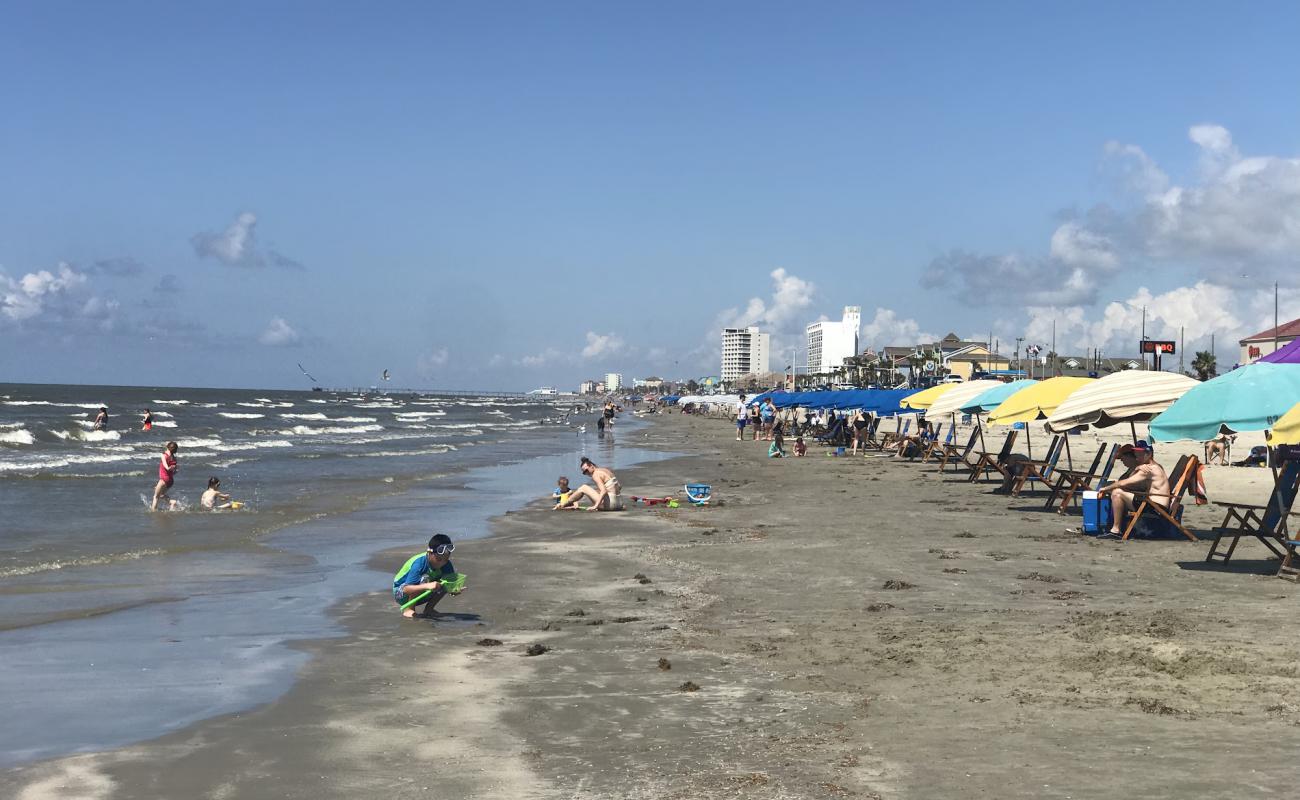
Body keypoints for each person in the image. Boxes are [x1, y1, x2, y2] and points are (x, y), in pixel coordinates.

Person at [1098, 441, 1170, 537]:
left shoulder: (1150, 469)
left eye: (1140, 454)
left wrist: (1104, 489)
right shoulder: (1155, 467)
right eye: (1136, 454)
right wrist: (1137, 468)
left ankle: (1116, 530)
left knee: (1117, 492)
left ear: (1148, 454)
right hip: (1155, 505)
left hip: (1156, 508)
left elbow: (1124, 482)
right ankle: (1116, 528)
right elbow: (1129, 481)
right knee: (1119, 492)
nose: (1137, 457)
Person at [392, 533, 462, 619]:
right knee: (423, 579)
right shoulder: (419, 563)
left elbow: (451, 585)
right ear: (429, 552)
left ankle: (429, 609)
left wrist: (454, 590)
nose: (442, 563)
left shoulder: (446, 564)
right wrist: (427, 586)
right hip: (401, 592)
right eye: (438, 559)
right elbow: (406, 589)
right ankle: (409, 610)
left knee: (444, 583)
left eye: (446, 559)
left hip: (422, 594)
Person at [553, 457, 623, 511]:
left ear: (591, 465)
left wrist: (595, 506)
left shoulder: (596, 474)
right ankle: (566, 503)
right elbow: (619, 486)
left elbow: (604, 491)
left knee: (583, 487)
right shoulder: (605, 470)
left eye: (586, 470)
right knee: (598, 491)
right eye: (584, 473)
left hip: (610, 506)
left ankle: (563, 504)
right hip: (619, 504)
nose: (586, 473)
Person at [151, 441, 179, 511]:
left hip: (163, 479)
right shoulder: (174, 458)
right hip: (170, 480)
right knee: (160, 494)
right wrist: (173, 468)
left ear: (168, 447)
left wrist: (168, 468)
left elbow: (166, 467)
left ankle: (153, 511)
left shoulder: (164, 455)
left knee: (156, 496)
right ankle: (171, 502)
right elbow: (175, 472)